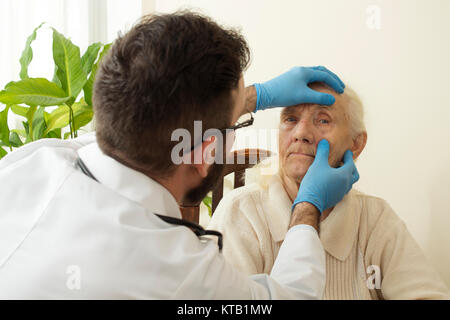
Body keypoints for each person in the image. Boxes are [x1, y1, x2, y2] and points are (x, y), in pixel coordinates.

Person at [0, 11, 355, 299]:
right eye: (238, 124)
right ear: (206, 153)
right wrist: (309, 206)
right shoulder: (179, 273)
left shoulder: (31, 161)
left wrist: (252, 97)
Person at [208, 82, 450, 299]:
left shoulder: (374, 217)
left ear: (356, 144)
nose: (301, 133)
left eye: (323, 120)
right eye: (290, 119)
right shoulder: (241, 211)